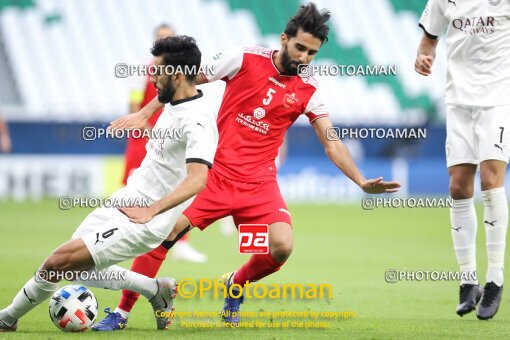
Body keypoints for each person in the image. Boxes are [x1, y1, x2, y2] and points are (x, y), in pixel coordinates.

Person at [98, 3, 400, 329]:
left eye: (312, 53)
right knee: (163, 236)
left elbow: (331, 141)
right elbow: (183, 81)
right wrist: (143, 114)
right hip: (214, 175)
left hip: (259, 184)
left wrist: (360, 181)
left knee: (282, 247)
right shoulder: (243, 58)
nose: (303, 57)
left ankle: (235, 284)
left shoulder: (309, 90)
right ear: (284, 38)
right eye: (299, 47)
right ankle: (122, 313)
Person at [0, 35, 218, 332]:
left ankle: (7, 318)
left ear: (177, 75)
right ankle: (156, 290)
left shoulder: (197, 121)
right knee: (78, 268)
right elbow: (173, 91)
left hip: (144, 220)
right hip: (127, 200)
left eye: (156, 70)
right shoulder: (178, 98)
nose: (151, 77)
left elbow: (198, 180)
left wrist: (151, 211)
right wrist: (143, 114)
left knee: (58, 261)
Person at [416, 0, 510, 320]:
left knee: (490, 180)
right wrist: (424, 56)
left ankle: (495, 278)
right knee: (457, 187)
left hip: (498, 99)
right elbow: (430, 37)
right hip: (458, 101)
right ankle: (468, 281)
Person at [125, 23, 207, 263]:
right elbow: (133, 107)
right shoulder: (139, 71)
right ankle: (127, 232)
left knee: (178, 187)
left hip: (172, 139)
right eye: (161, 38)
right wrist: (150, 132)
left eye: (169, 37)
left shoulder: (183, 77)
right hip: (144, 139)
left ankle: (179, 242)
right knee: (134, 188)